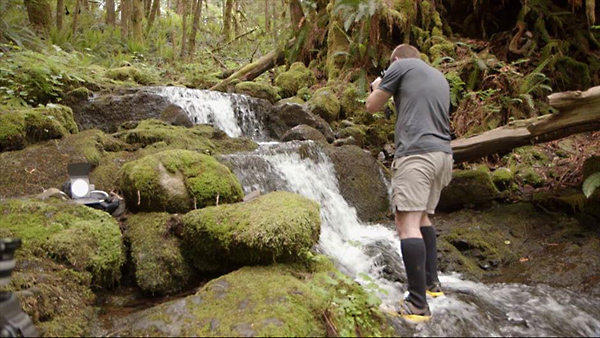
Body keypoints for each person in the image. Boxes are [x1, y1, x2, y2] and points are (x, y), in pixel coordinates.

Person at [366, 44, 453, 321]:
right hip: (443, 156)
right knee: (423, 219)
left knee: (407, 224)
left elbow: (371, 107)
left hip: (416, 155)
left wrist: (378, 85)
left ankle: (417, 304)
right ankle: (431, 284)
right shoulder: (438, 76)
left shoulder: (399, 66)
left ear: (396, 60)